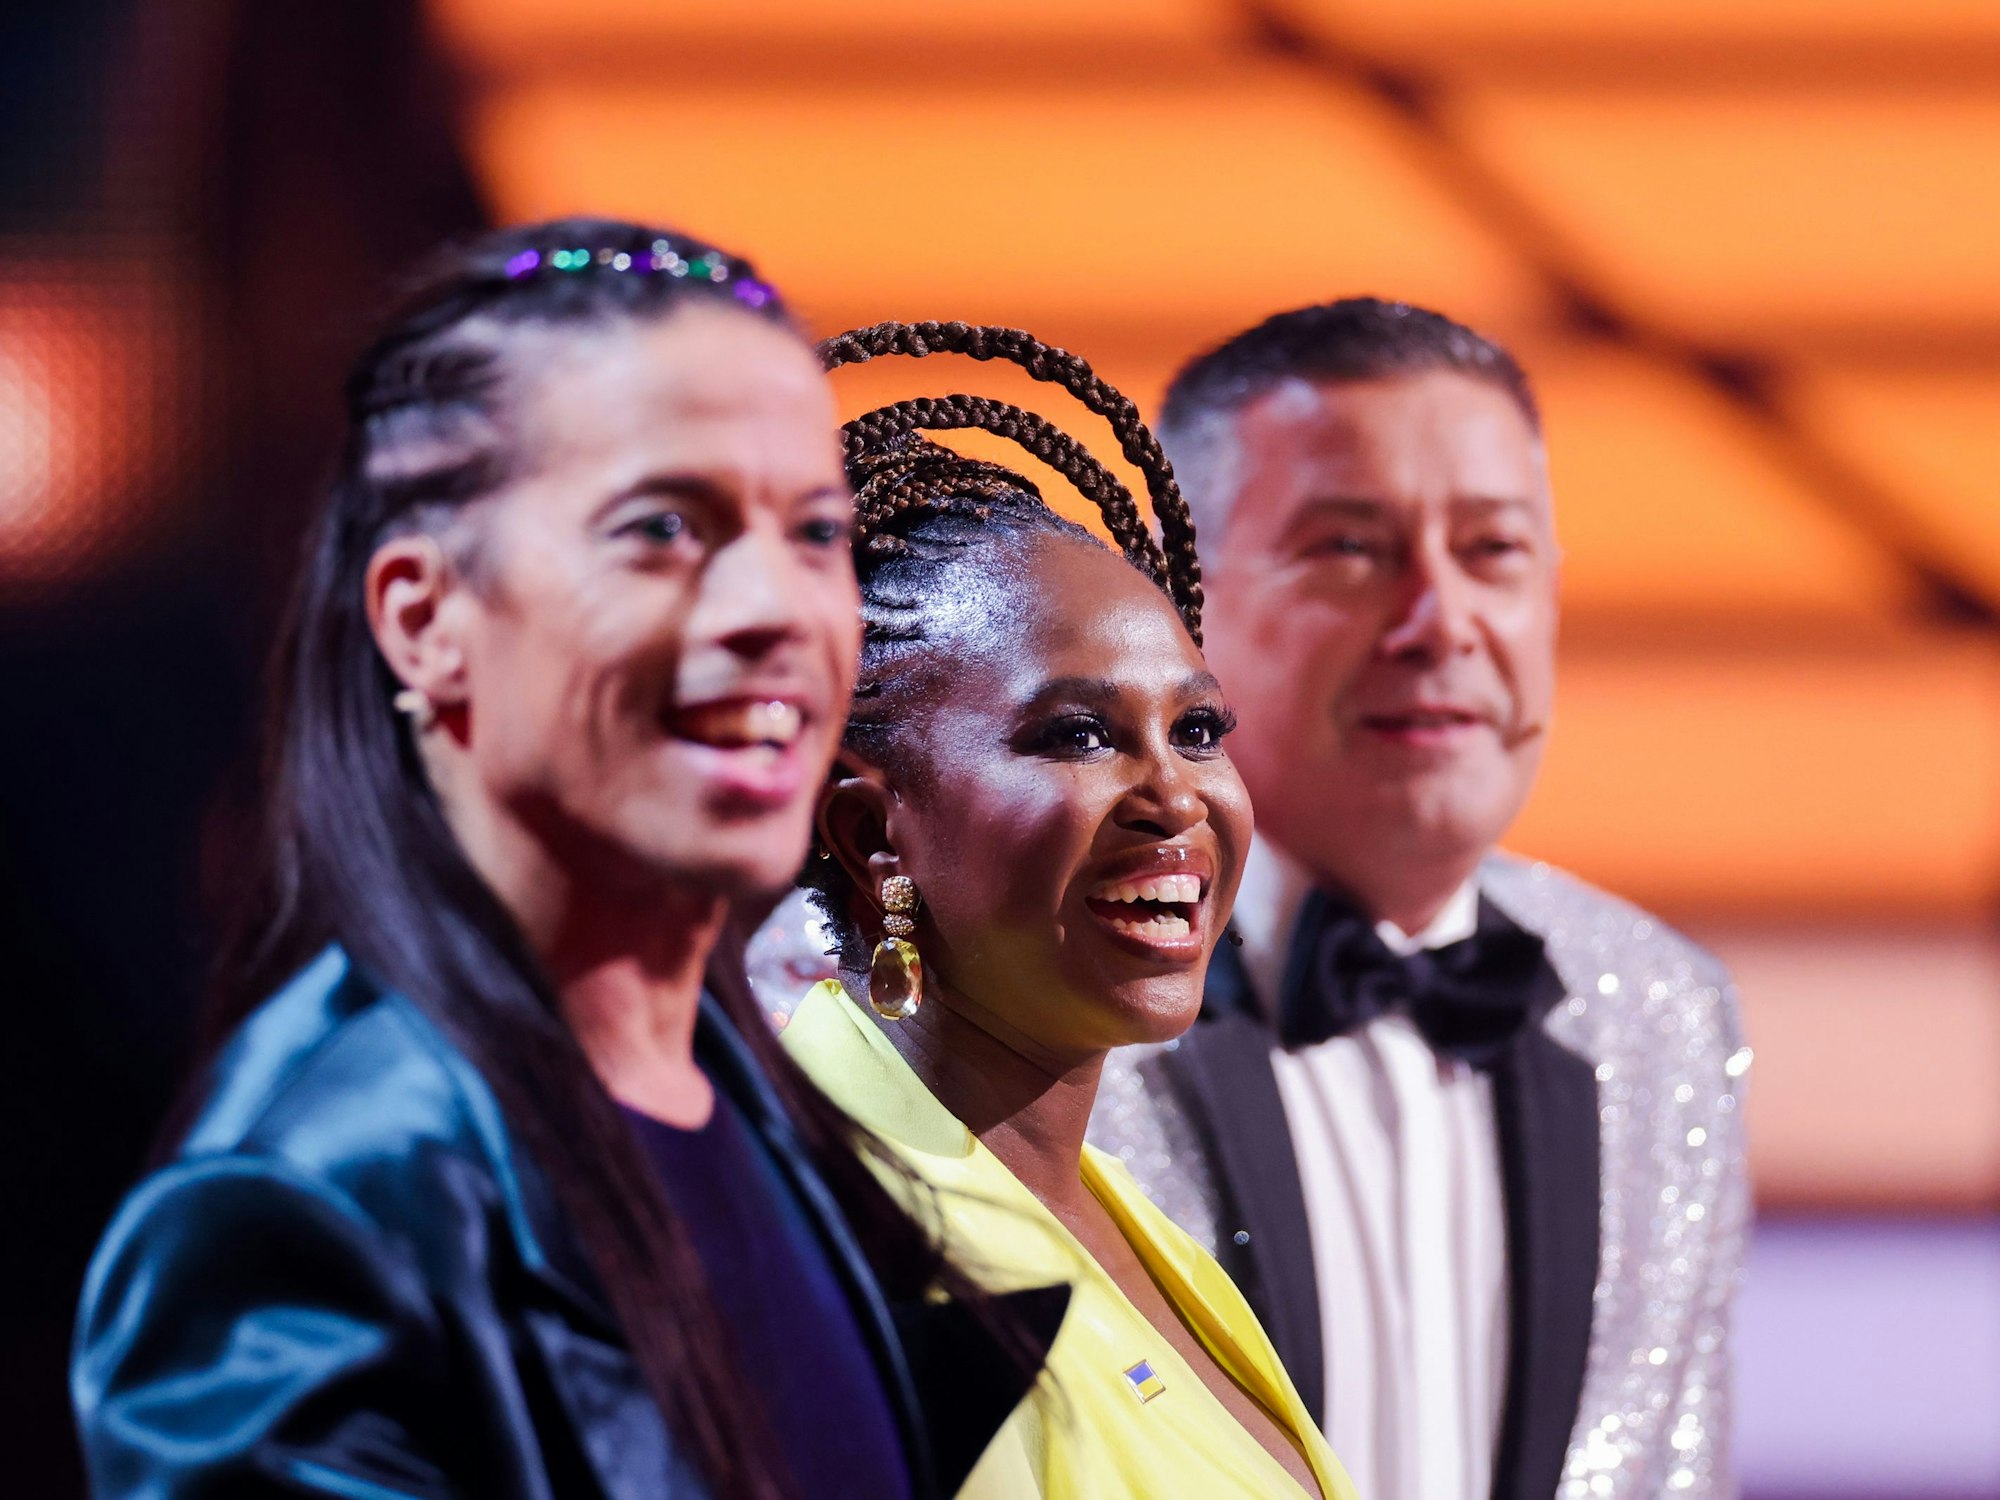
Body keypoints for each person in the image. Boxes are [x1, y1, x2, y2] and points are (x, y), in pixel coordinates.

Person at [71, 223, 1060, 1500]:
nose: (774, 608)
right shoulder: (309, 1206)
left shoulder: (763, 1113)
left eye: (814, 533)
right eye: (662, 527)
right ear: (427, 621)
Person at [1088, 298, 1752, 1500]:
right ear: (1177, 604)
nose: (1440, 620)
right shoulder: (1048, 995)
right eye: (1349, 548)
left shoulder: (1659, 1007)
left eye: (1490, 550)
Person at [781, 321, 1358, 1500]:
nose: (1174, 798)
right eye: (1079, 734)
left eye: (1197, 731)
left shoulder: (1104, 1202)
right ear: (867, 833)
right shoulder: (848, 1247)